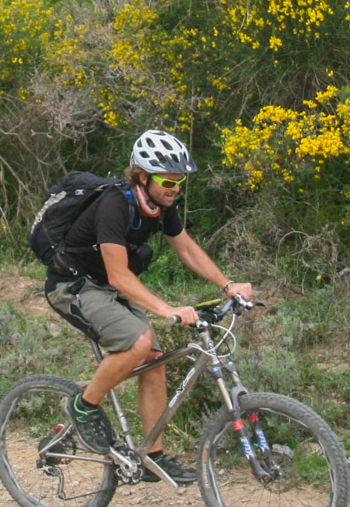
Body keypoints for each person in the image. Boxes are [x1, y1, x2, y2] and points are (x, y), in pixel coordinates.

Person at [44, 129, 255, 485]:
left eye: (180, 181)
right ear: (142, 176)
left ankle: (152, 457)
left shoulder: (160, 204)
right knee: (140, 342)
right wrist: (167, 308)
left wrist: (227, 285)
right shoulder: (114, 203)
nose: (175, 187)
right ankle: (84, 406)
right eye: (167, 180)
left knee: (154, 364)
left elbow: (186, 248)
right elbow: (118, 273)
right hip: (75, 285)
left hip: (110, 286)